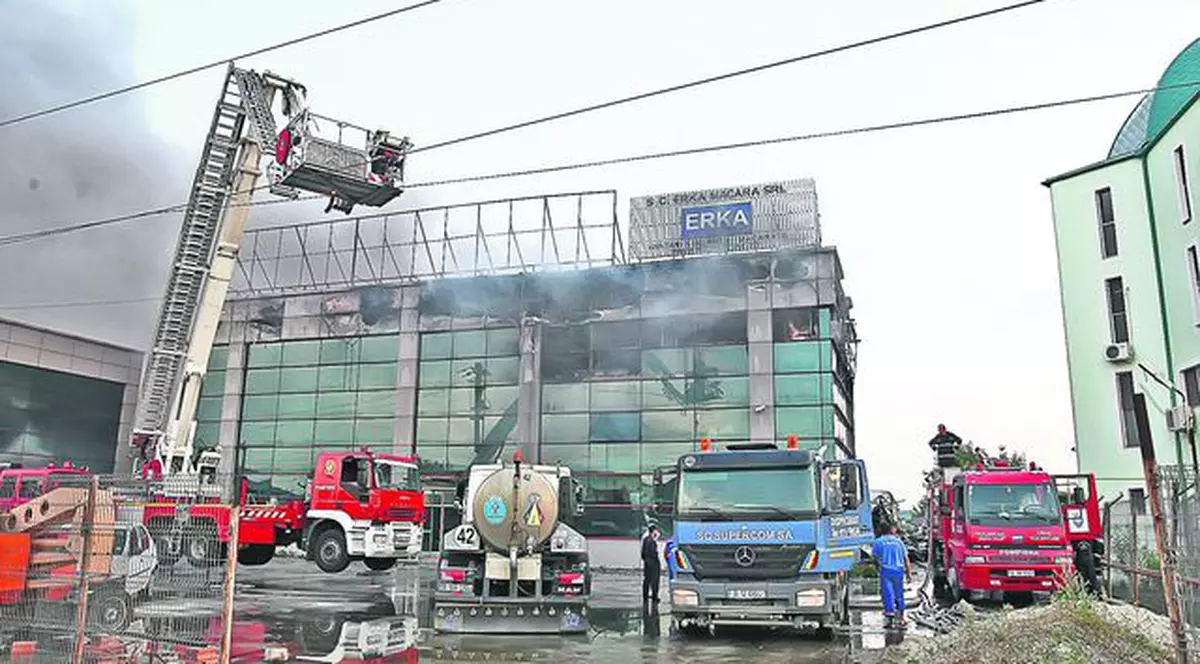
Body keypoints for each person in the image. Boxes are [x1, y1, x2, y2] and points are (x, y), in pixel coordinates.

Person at [872, 524, 912, 629]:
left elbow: (875, 558)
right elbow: (906, 559)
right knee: (899, 594)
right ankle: (902, 619)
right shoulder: (899, 542)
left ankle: (889, 621)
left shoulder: (878, 542)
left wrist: (877, 568)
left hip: (886, 570)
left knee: (888, 594)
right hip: (898, 571)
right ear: (891, 531)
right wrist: (908, 574)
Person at [641, 525, 662, 603]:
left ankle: (645, 596)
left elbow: (643, 553)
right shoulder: (651, 541)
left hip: (647, 563)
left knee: (647, 580)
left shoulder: (646, 540)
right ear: (653, 531)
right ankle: (654, 597)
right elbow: (653, 553)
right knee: (655, 581)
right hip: (653, 563)